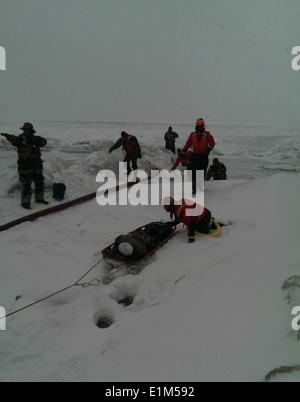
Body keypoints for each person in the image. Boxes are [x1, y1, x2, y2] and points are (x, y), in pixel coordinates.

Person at [1, 122, 48, 210]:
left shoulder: (35, 138)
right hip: (24, 166)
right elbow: (15, 141)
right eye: (25, 130)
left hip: (36, 165)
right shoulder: (20, 139)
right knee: (26, 184)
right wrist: (9, 137)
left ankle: (40, 199)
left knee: (40, 182)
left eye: (28, 130)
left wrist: (39, 140)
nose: (26, 132)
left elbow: (44, 142)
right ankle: (25, 203)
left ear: (31, 131)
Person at [108, 222, 175, 261]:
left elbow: (132, 259)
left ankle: (165, 227)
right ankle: (165, 228)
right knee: (157, 234)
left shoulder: (139, 250)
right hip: (141, 237)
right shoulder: (122, 239)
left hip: (144, 238)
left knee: (156, 235)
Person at [181, 118, 215, 194]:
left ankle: (200, 187)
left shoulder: (207, 134)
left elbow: (212, 144)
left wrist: (208, 149)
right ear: (196, 127)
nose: (199, 129)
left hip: (204, 156)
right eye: (198, 127)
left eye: (201, 127)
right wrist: (183, 151)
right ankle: (194, 188)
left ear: (203, 127)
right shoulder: (192, 135)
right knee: (194, 173)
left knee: (202, 173)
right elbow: (187, 144)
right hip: (195, 156)